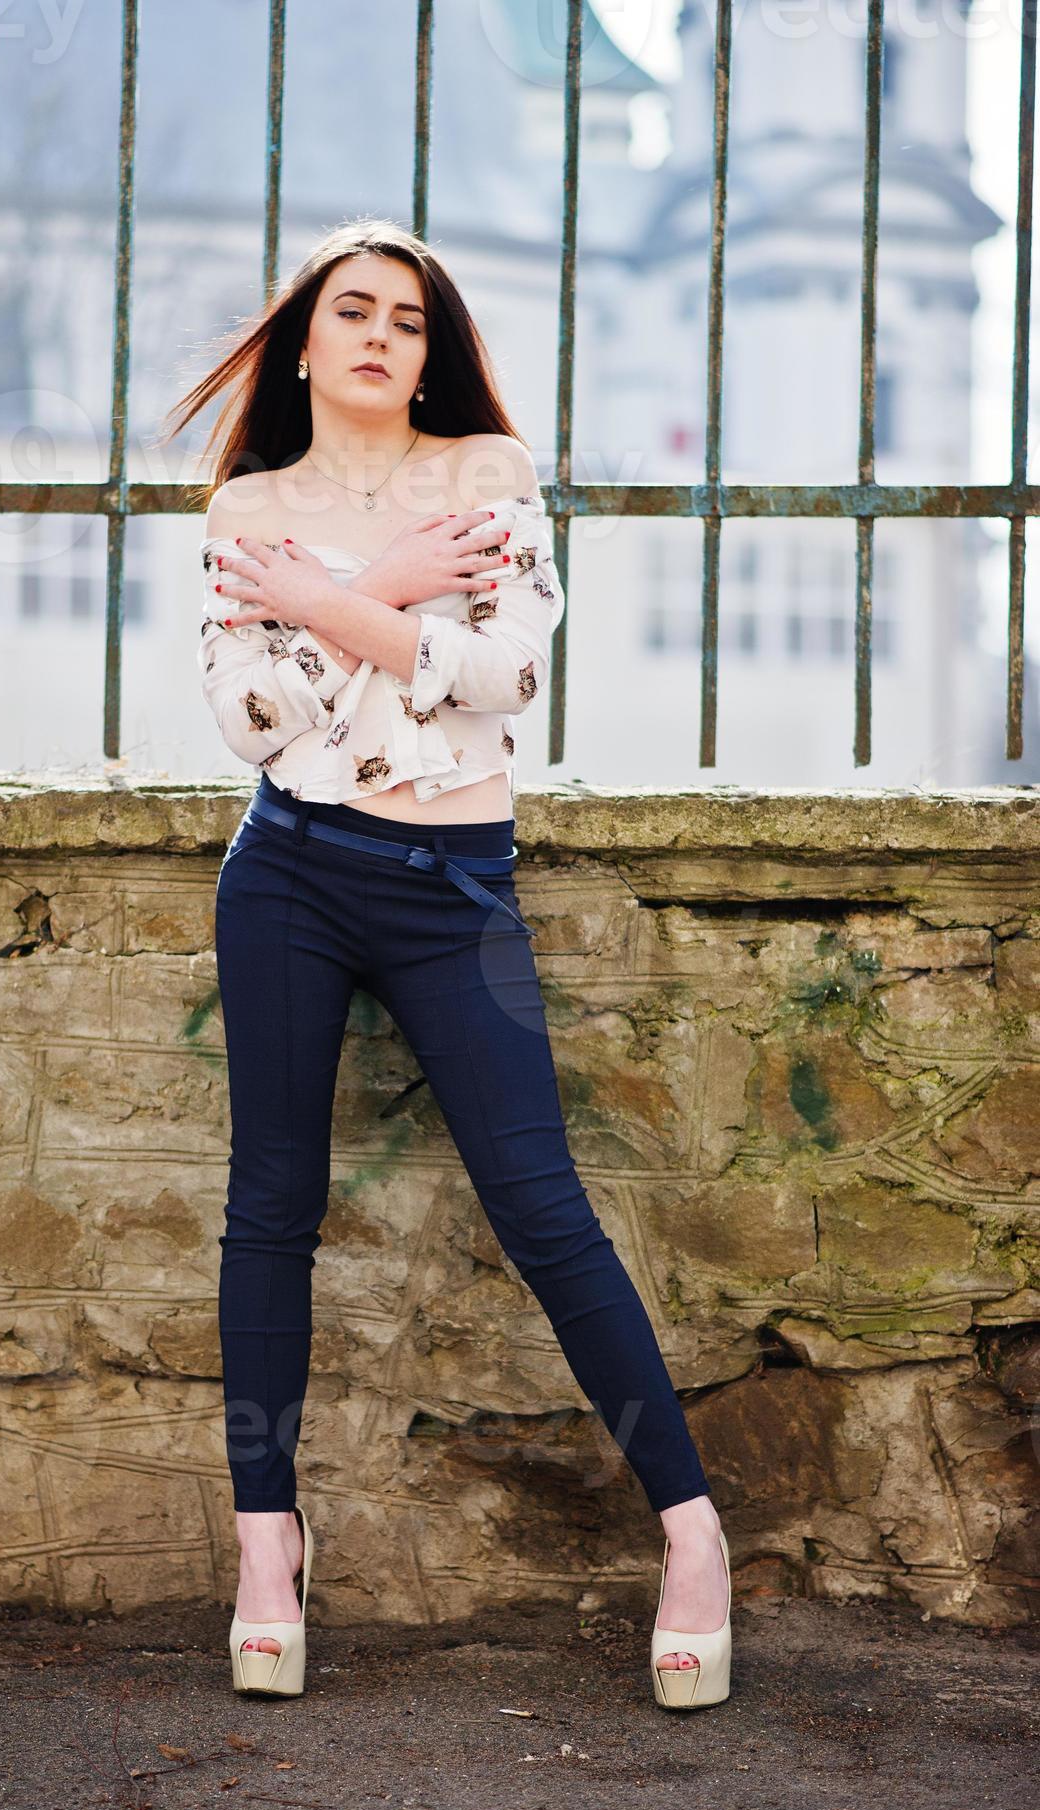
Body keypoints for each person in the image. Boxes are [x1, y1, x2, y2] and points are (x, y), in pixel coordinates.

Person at [161, 220, 732, 1709]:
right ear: (303, 339)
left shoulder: (488, 480)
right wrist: (399, 590)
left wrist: (328, 594)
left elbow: (499, 676)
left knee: (543, 1210)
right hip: (285, 872)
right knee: (268, 1212)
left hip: (451, 883)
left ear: (433, 350)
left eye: (408, 322)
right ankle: (267, 1552)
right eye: (352, 312)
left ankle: (693, 1540)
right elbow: (258, 725)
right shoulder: (245, 505)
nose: (379, 338)